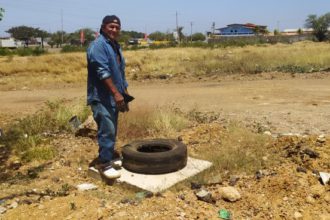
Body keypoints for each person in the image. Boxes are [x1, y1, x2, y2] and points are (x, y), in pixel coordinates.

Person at [87, 15, 129, 179]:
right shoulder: (98, 46)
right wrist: (116, 93)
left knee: (112, 128)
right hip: (102, 97)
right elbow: (102, 72)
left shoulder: (114, 46)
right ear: (103, 27)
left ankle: (109, 156)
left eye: (117, 27)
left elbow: (120, 72)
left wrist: (123, 94)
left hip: (114, 96)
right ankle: (103, 164)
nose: (114, 30)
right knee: (107, 129)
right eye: (111, 26)